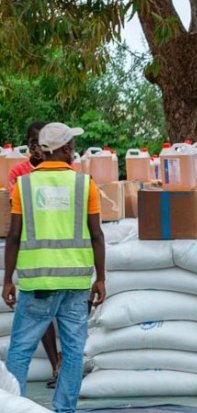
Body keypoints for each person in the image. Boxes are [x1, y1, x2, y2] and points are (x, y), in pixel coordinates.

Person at [2, 122, 106, 413]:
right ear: (65, 149)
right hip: (75, 283)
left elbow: (13, 235)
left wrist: (7, 280)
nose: (73, 149)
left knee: (20, 351)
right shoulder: (85, 184)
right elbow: (96, 234)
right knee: (73, 351)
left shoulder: (24, 185)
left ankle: (12, 406)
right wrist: (101, 278)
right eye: (71, 144)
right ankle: (64, 410)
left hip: (37, 284)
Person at [7, 121, 64, 389]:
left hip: (63, 255)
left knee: (57, 315)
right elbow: (17, 214)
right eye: (31, 140)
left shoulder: (67, 170)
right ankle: (55, 364)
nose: (35, 146)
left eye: (39, 140)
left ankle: (61, 369)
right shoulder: (18, 173)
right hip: (34, 256)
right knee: (37, 317)